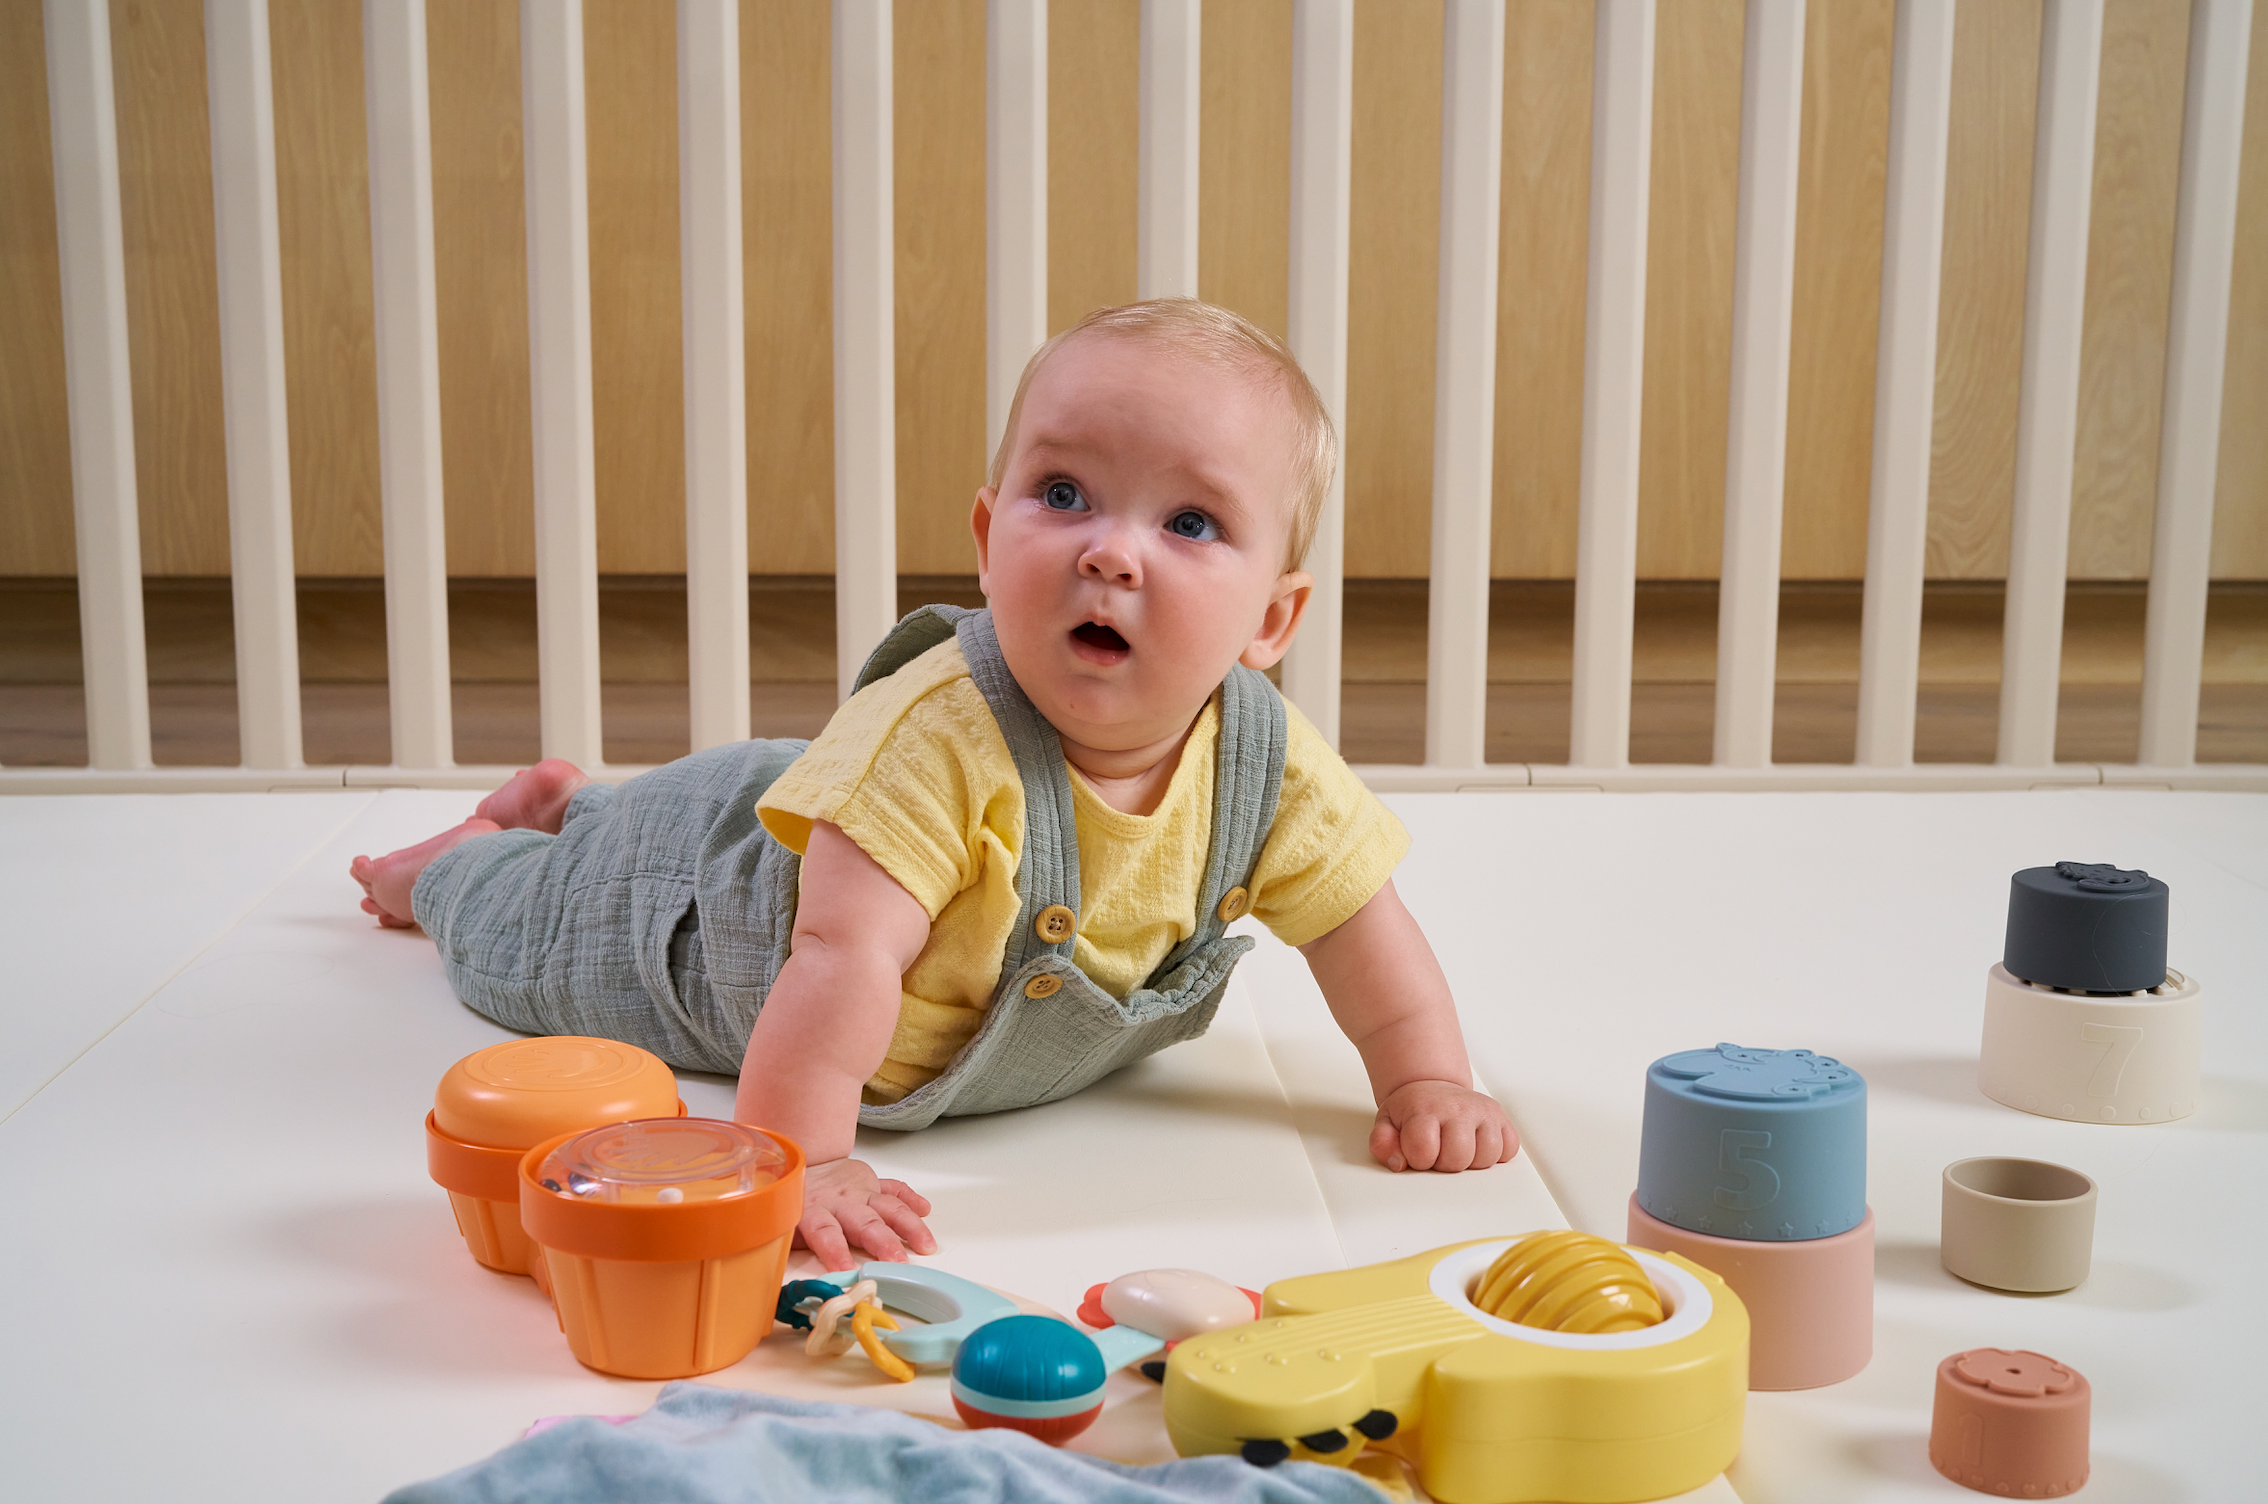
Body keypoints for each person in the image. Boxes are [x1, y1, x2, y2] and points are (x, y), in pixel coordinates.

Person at [352, 299, 1518, 1271]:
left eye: (1191, 520)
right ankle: (461, 859)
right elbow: (838, 961)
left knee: (701, 810)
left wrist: (1425, 1079)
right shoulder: (936, 741)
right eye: (1063, 494)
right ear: (985, 532)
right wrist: (801, 1157)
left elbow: (1365, 927)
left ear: (1271, 618)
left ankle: (567, 799)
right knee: (525, 937)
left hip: (811, 809)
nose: (1111, 550)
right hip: (709, 924)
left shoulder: (1266, 767)